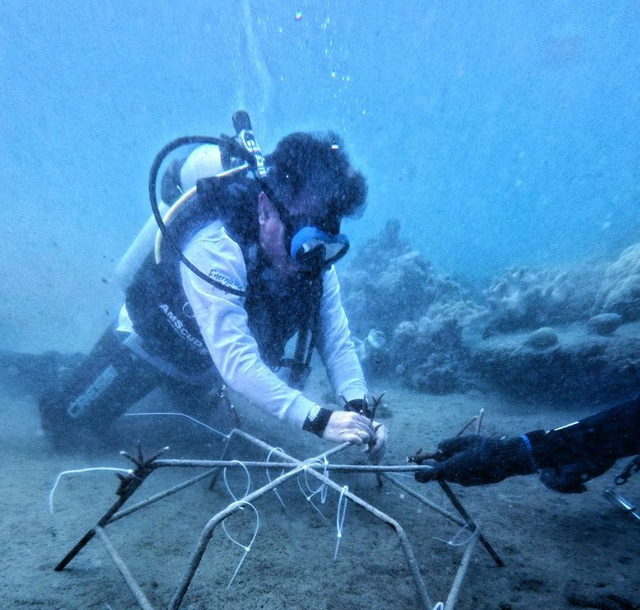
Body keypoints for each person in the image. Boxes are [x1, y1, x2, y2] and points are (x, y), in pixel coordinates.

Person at [35, 121, 387, 457]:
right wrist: (320, 420)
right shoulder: (215, 245)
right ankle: (43, 369)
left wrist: (359, 411)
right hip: (147, 349)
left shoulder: (311, 260)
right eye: (305, 242)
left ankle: (104, 374)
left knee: (198, 422)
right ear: (265, 211)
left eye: (325, 245)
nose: (312, 259)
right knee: (63, 420)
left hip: (203, 373)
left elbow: (335, 339)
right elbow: (236, 361)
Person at [414, 392, 640, 493]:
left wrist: (505, 453)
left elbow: (598, 450)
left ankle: (501, 455)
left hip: (528, 453)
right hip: (533, 450)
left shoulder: (612, 437)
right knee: (470, 456)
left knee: (483, 461)